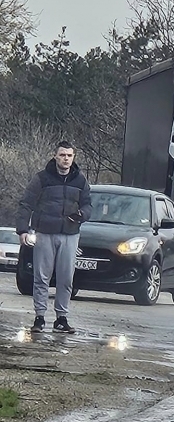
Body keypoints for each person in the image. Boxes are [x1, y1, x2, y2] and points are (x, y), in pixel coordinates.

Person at [15, 141, 92, 334]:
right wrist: (22, 230)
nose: (66, 159)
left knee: (66, 278)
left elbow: (88, 205)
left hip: (70, 234)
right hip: (45, 232)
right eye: (62, 155)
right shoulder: (41, 178)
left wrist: (82, 214)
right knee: (41, 277)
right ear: (55, 156)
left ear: (73, 157)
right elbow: (26, 204)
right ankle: (39, 317)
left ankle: (61, 319)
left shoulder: (80, 180)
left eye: (69, 155)